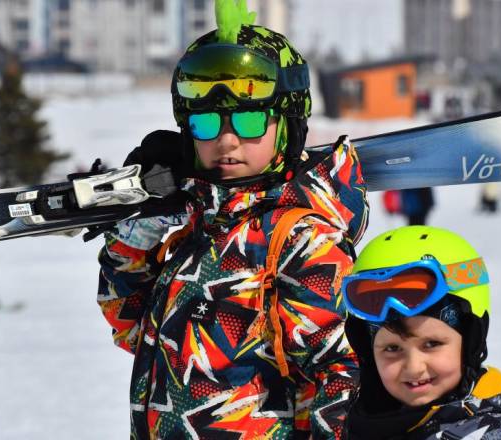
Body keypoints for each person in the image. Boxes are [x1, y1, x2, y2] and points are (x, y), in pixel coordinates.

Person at [97, 2, 368, 438]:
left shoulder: (301, 238)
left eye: (248, 119)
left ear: (286, 124)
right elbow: (129, 325)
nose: (226, 140)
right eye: (205, 123)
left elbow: (340, 376)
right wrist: (137, 233)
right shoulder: (201, 229)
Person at [342, 226, 501, 439]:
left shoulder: (500, 431)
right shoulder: (358, 420)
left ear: (471, 340)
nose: (414, 368)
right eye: (392, 348)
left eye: (431, 344)